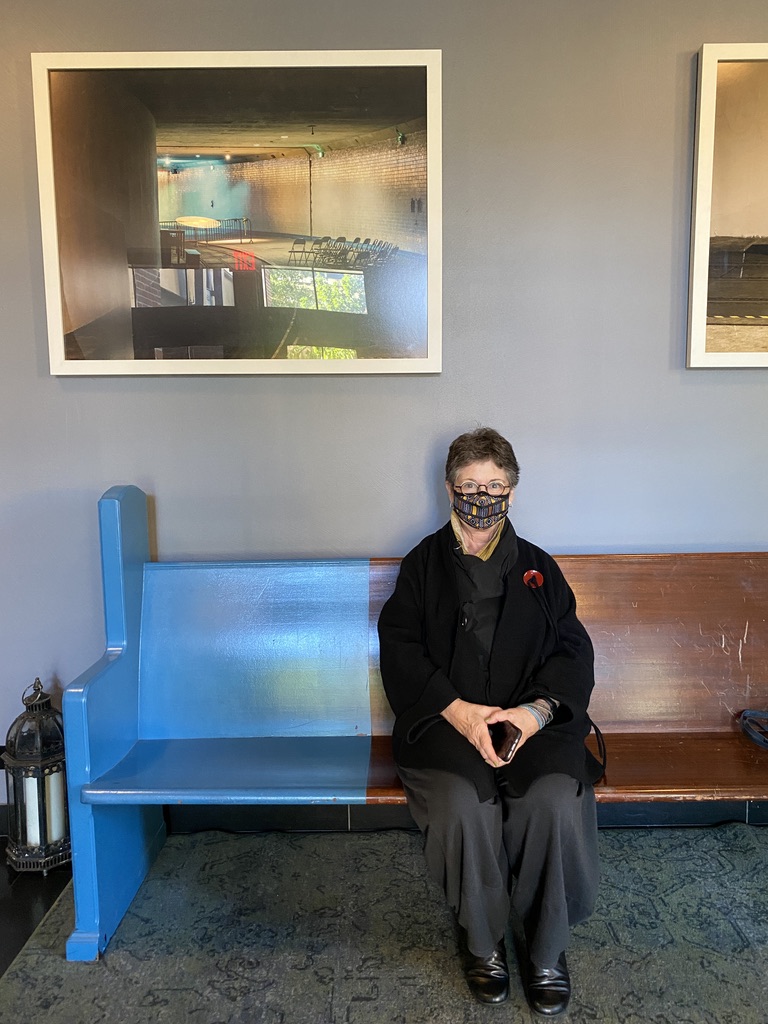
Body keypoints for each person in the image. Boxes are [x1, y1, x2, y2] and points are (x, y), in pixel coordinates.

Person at [377, 427, 604, 1016]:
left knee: (553, 797)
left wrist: (533, 714)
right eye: (470, 484)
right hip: (445, 720)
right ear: (449, 488)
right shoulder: (422, 565)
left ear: (512, 491)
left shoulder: (538, 567)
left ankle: (547, 948)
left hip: (529, 722)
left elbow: (573, 651)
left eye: (495, 485)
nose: (482, 496)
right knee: (462, 802)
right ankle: (482, 942)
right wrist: (458, 710)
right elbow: (399, 649)